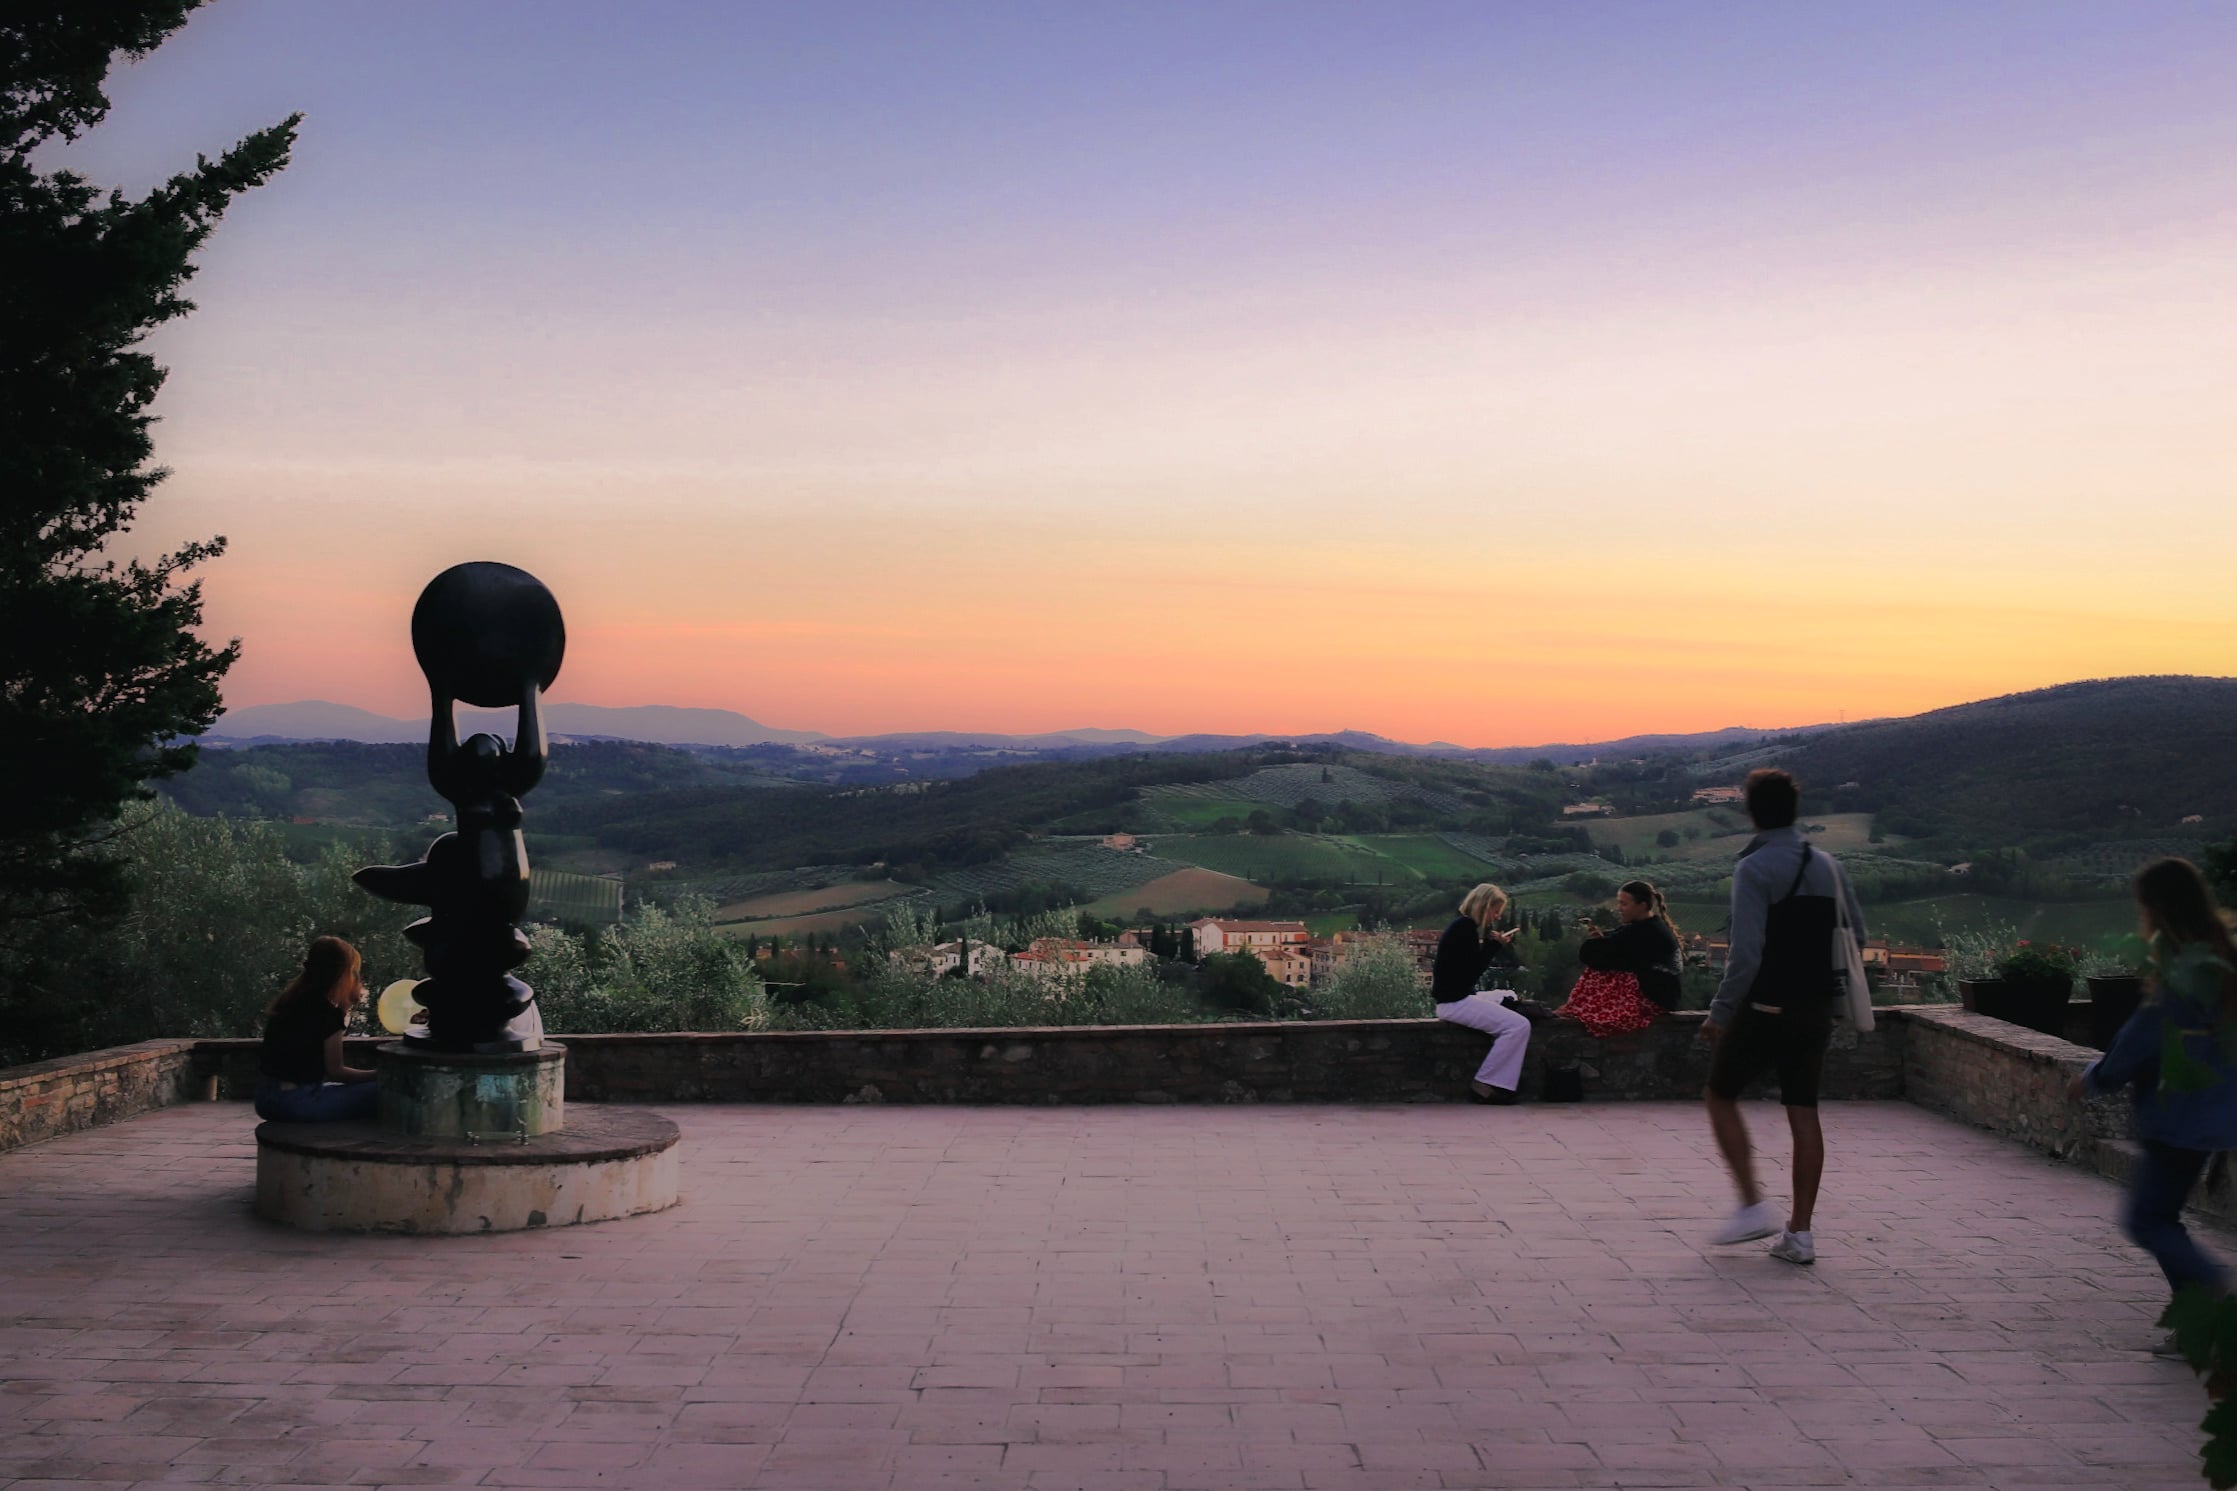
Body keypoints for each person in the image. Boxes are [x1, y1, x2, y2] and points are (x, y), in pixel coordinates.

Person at [2070, 858, 2237, 1354]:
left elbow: (2139, 1041)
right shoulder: (2221, 958)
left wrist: (2093, 1080)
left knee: (2147, 1221)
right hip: (2214, 1115)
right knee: (2164, 1218)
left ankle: (2213, 1283)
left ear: (2156, 908)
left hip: (2177, 1118)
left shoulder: (2178, 971)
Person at [1700, 770, 1866, 1265]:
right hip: (1814, 1008)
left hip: (1765, 1004)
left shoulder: (1754, 869)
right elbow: (1856, 935)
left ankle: (1752, 1205)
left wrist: (1720, 1011)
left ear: (1751, 812)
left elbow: (1745, 954)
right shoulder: (1830, 866)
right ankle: (1801, 1234)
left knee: (1719, 1094)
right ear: (1795, 811)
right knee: (1803, 1112)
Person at [255, 936, 380, 1122]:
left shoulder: (289, 1001)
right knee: (383, 1093)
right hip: (296, 1101)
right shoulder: (327, 1013)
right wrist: (377, 1075)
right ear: (342, 974)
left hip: (265, 1100)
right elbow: (336, 1071)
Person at [1433, 883, 1531, 1103]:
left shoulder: (1462, 926)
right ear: (1484, 905)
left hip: (1453, 998)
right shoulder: (1465, 929)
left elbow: (1467, 969)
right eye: (1495, 911)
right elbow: (1471, 973)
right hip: (1455, 1002)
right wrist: (1493, 946)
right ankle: (1486, 1084)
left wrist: (1490, 945)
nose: (1496, 917)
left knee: (1509, 998)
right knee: (1519, 1026)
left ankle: (1494, 1082)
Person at [1558, 880, 1681, 1037]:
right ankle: (1578, 1007)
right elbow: (1614, 947)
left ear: (1642, 906)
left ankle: (1578, 1008)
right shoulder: (1647, 927)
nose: (1619, 908)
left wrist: (1599, 942)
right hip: (1663, 997)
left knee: (1600, 973)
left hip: (1654, 999)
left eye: (1624, 904)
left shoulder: (1645, 933)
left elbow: (1594, 955)